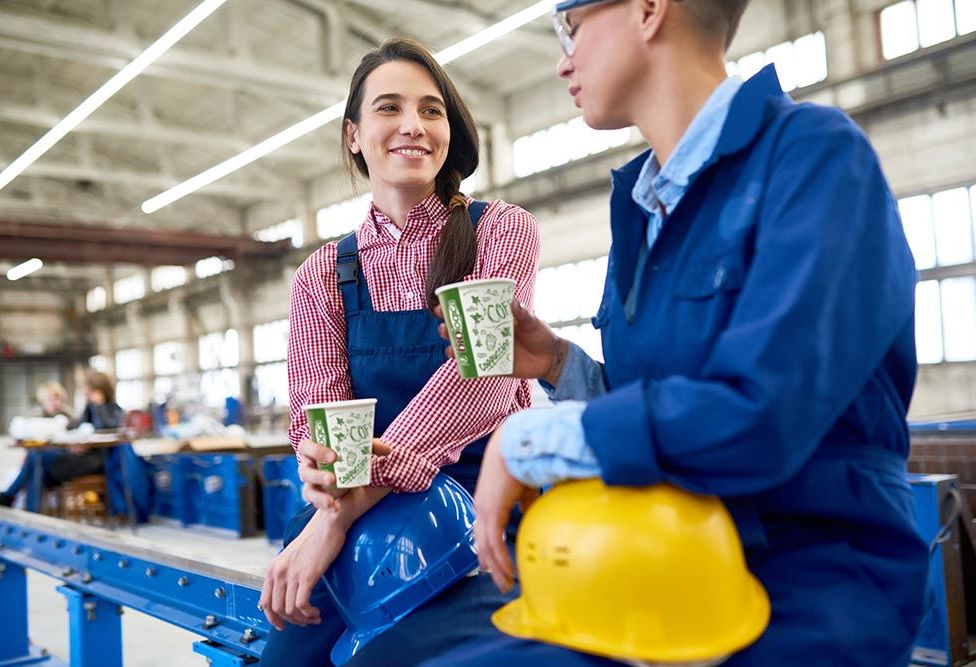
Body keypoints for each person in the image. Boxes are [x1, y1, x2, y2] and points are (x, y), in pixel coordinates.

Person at [427, 1, 929, 666]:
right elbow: (665, 406)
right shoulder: (646, 206)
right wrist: (558, 365)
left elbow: (759, 413)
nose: (563, 59)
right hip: (668, 559)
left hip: (806, 582)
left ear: (647, 9)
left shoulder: (815, 158)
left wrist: (531, 437)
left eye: (570, 26)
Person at [257, 37, 540, 667]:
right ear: (354, 135)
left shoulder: (500, 230)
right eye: (389, 108)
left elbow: (482, 381)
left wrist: (332, 523)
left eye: (431, 110)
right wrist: (331, 491)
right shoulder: (323, 273)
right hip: (359, 516)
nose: (413, 125)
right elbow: (318, 414)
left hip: (484, 506)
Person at [0, 374, 124, 510]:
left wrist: (99, 404)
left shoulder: (114, 410)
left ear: (98, 388)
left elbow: (104, 430)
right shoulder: (89, 407)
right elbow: (78, 429)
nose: (84, 391)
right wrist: (73, 442)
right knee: (37, 463)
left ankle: (8, 498)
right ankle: (27, 511)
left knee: (36, 459)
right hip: (79, 456)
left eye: (87, 388)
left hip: (96, 461)